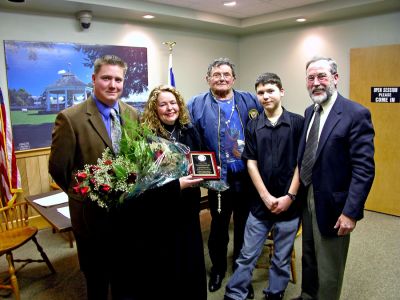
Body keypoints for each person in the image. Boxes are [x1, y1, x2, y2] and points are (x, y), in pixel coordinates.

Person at [49, 55, 139, 299]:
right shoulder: (70, 118)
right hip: (91, 217)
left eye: (118, 79)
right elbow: (59, 169)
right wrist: (89, 192)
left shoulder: (132, 114)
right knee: (97, 279)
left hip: (127, 214)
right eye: (106, 78)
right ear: (93, 79)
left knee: (125, 274)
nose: (113, 85)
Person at [292, 56, 375, 300]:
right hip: (308, 195)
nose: (316, 82)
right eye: (310, 78)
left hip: (335, 204)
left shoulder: (356, 113)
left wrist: (351, 212)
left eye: (322, 76)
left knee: (329, 265)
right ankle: (308, 295)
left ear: (335, 79)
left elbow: (364, 169)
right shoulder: (310, 111)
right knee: (309, 253)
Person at [224, 73, 304, 300]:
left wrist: (290, 195)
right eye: (261, 92)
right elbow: (250, 162)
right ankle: (235, 293)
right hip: (260, 204)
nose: (266, 96)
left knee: (281, 256)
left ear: (281, 92)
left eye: (270, 90)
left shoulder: (298, 123)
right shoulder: (253, 125)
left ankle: (275, 293)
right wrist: (266, 196)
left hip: (290, 204)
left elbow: (301, 163)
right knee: (247, 254)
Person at [187, 57, 262, 298]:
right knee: (219, 227)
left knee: (244, 227)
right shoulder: (196, 104)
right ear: (207, 78)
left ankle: (243, 274)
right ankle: (218, 269)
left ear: (234, 78)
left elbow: (262, 130)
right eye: (216, 74)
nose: (221, 78)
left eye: (226, 74)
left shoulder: (249, 100)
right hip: (219, 179)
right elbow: (190, 140)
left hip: (248, 177)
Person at [136, 84, 207, 300]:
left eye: (173, 103)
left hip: (188, 206)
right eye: (163, 104)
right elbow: (144, 182)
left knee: (191, 255)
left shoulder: (189, 129)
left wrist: (210, 171)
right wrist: (178, 185)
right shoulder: (146, 136)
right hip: (161, 211)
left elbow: (200, 157)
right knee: (167, 260)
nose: (170, 108)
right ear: (154, 109)